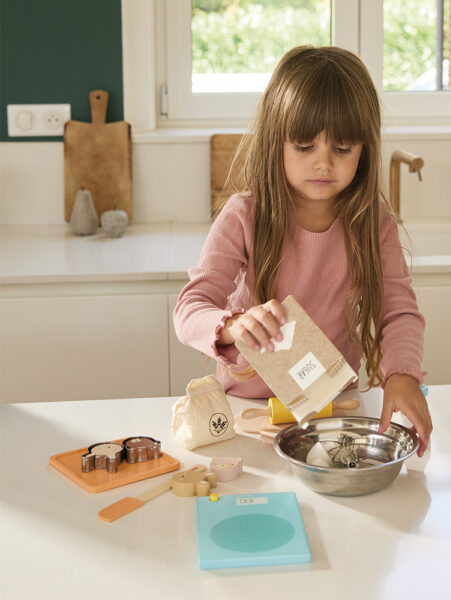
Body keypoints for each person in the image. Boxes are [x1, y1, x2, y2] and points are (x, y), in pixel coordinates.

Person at [173, 45, 432, 456]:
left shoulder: (374, 223)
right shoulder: (243, 216)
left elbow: (399, 311)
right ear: (276, 141)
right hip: (245, 411)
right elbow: (190, 308)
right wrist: (231, 325)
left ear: (365, 149)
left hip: (333, 410)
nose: (324, 164)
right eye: (305, 147)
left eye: (343, 148)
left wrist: (402, 374)